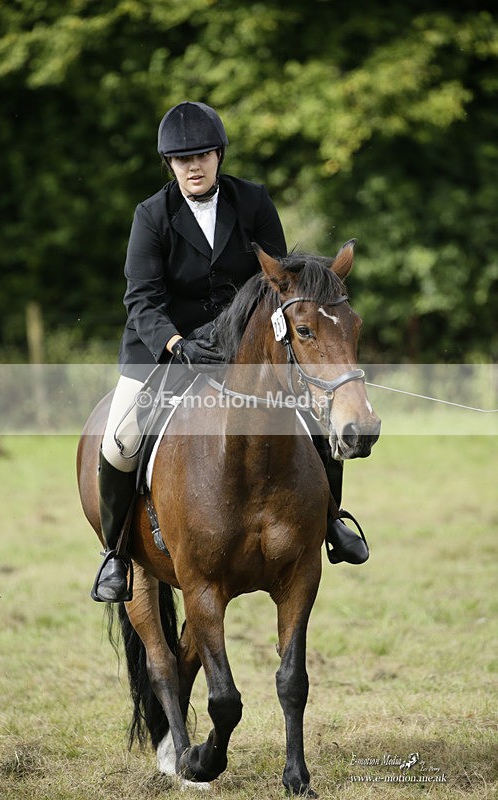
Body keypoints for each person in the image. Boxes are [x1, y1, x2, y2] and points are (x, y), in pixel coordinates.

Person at [91, 101, 368, 603]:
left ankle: (331, 520)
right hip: (166, 347)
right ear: (170, 165)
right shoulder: (151, 216)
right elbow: (141, 299)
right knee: (120, 438)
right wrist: (176, 343)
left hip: (244, 348)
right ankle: (115, 554)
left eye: (201, 155)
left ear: (218, 155)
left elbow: (282, 282)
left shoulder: (253, 200)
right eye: (181, 159)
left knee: (312, 420)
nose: (192, 166)